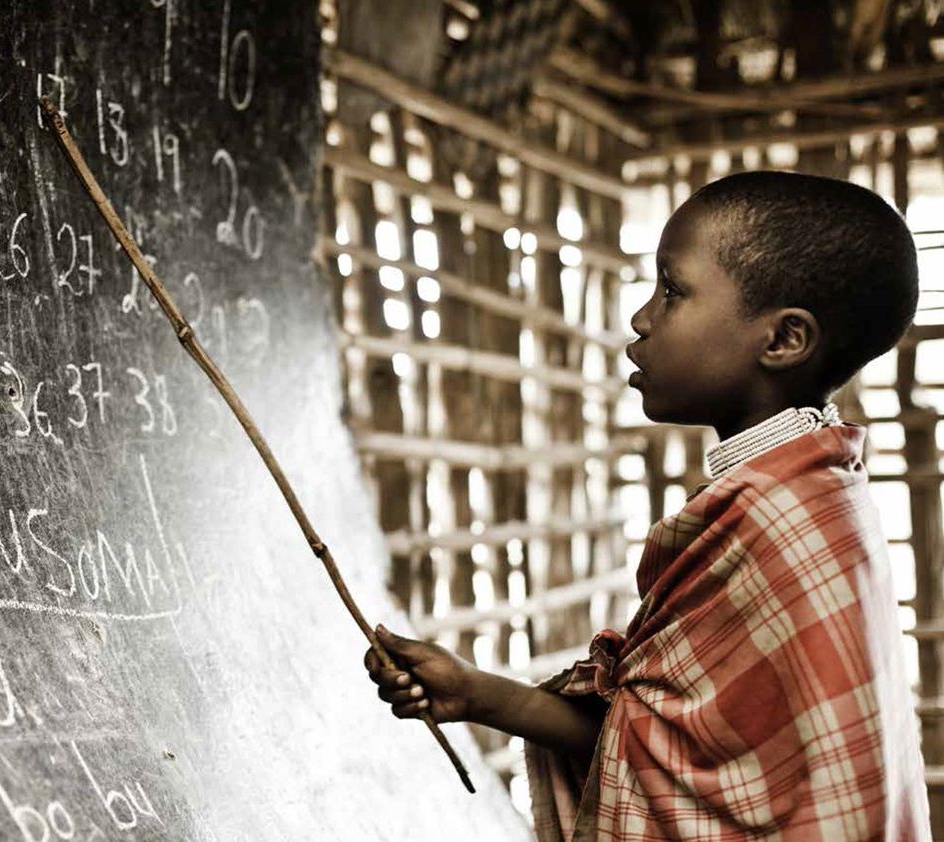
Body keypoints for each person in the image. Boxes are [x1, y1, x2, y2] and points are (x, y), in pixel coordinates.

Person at [363, 170, 931, 840]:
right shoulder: (796, 490)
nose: (640, 319)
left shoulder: (786, 517)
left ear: (781, 341)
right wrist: (477, 693)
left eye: (672, 291)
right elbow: (660, 729)